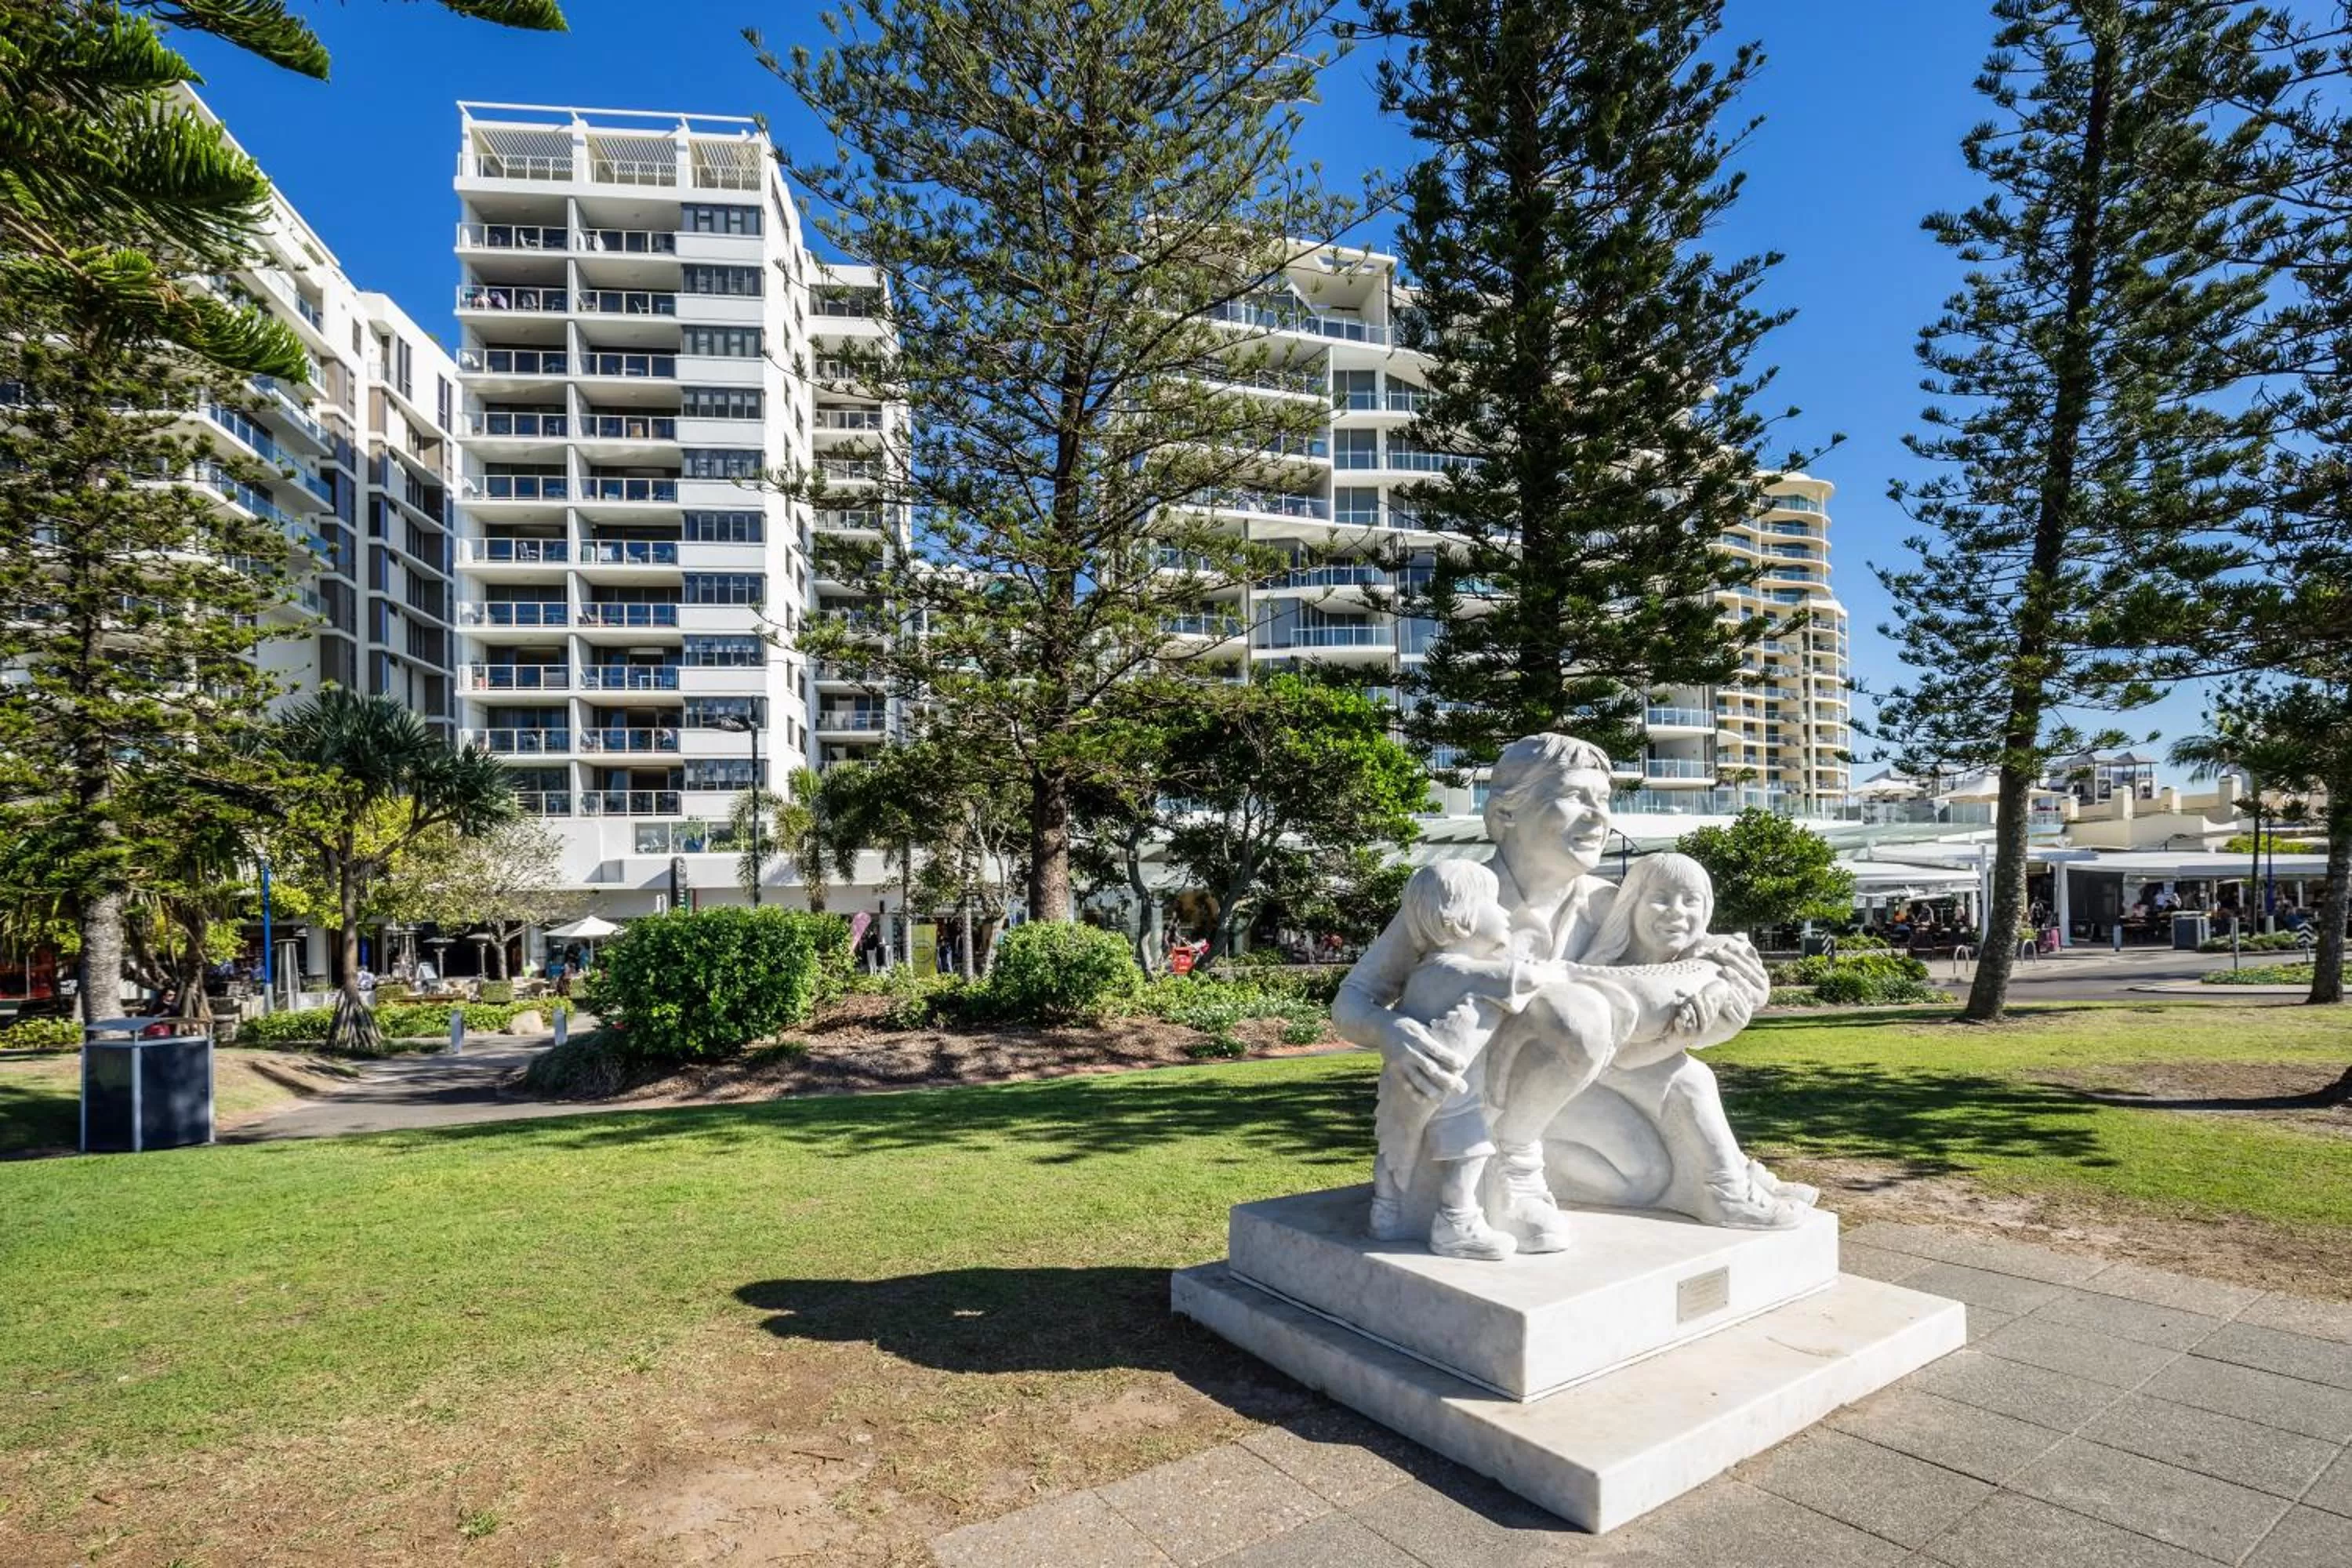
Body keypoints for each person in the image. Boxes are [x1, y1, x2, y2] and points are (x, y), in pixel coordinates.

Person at [1335, 734, 1799, 1254]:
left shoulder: (1611, 904)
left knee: (1657, 1146)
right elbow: (1354, 999)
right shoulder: (1458, 894)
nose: (1598, 817)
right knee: (1575, 1011)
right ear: (1506, 814)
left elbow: (1664, 995)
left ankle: (1723, 1183)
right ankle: (1513, 1170)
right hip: (1473, 1095)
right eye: (1578, 797)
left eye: (1604, 802)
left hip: (1575, 1084)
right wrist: (1390, 1030)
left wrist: (1737, 988)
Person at [1374, 860, 1549, 1260]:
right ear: (1460, 919)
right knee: (1470, 1152)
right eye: (1494, 904)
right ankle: (1457, 1221)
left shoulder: (1425, 972)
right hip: (1454, 1093)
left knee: (1395, 1145)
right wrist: (1531, 961)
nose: (1506, 913)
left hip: (1411, 1083)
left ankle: (1386, 1212)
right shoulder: (1462, 970)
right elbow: (1526, 980)